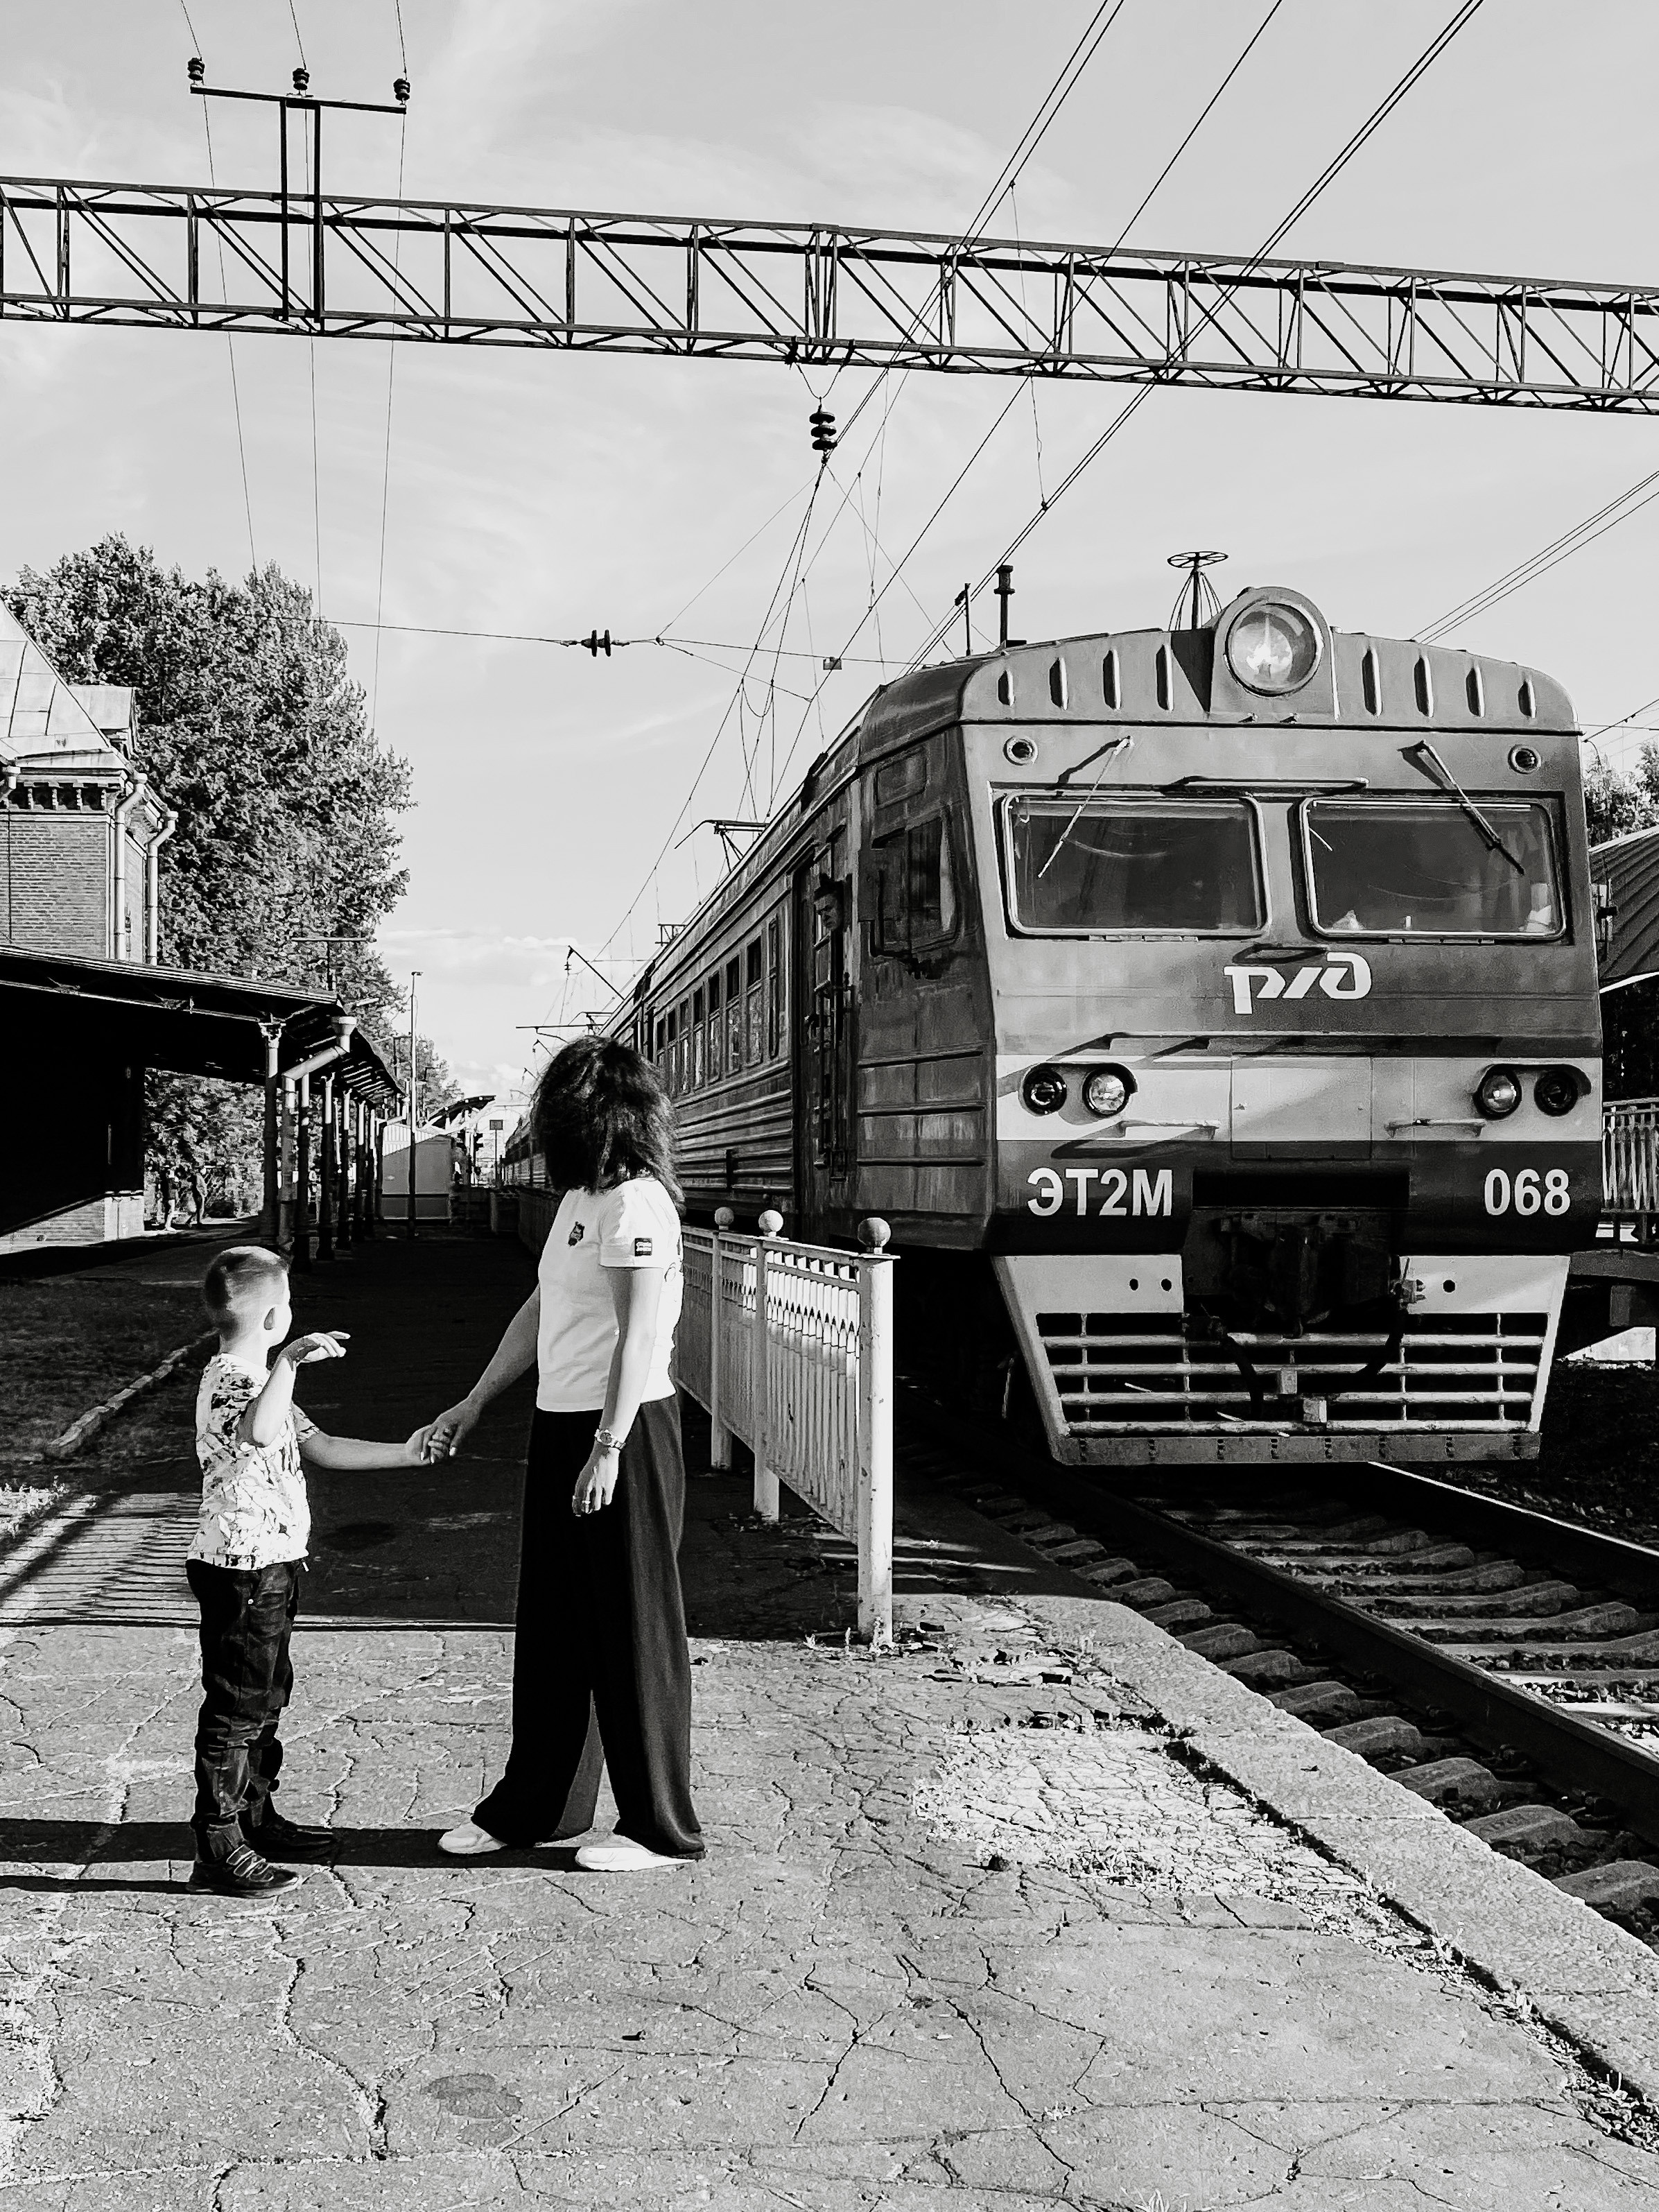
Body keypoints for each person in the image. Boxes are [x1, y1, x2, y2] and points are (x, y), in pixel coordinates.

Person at [425, 1035, 704, 1874]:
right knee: (553, 1627)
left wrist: (608, 1447)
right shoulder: (584, 1201)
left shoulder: (637, 1206)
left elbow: (639, 1334)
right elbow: (543, 1308)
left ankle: (659, 1827)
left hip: (625, 1431)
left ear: (594, 1118)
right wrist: (476, 1400)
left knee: (632, 1624)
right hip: (563, 1424)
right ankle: (537, 1806)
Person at [189, 1245, 433, 1896]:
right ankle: (217, 1845)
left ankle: (254, 1818)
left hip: (271, 1563)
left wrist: (408, 1455)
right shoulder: (230, 1377)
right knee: (236, 1710)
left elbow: (319, 1447)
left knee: (266, 1700)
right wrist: (291, 1362)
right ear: (273, 1317)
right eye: (288, 1303)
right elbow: (262, 1434)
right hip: (238, 1568)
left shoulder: (263, 1379)